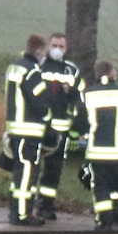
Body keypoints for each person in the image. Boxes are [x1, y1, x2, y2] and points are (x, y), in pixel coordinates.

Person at [76, 59, 118, 233]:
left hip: (97, 154)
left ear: (97, 74)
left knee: (101, 187)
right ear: (111, 73)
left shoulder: (87, 95)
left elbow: (80, 123)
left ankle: (105, 222)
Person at [3, 33, 51, 226]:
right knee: (27, 174)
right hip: (29, 131)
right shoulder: (32, 71)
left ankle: (15, 210)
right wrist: (49, 121)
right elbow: (39, 102)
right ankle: (23, 214)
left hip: (15, 129)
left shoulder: (14, 67)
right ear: (39, 50)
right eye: (44, 52)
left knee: (18, 173)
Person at [35, 31, 84, 220]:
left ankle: (46, 205)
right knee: (32, 166)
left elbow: (79, 98)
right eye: (54, 45)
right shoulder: (39, 65)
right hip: (39, 126)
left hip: (61, 129)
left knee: (54, 170)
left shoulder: (71, 70)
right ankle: (29, 203)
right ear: (48, 46)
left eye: (61, 46)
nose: (57, 49)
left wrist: (70, 91)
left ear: (66, 48)